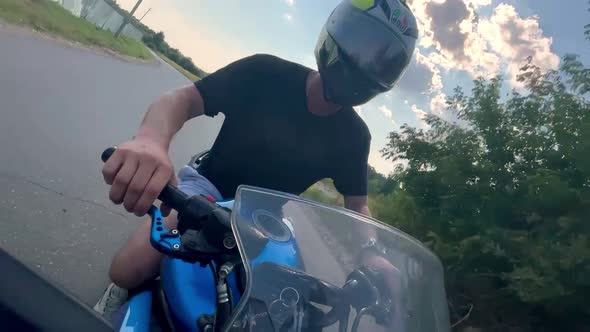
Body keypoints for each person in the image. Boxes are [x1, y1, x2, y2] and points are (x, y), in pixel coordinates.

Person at [94, 0, 418, 318]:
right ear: (338, 29)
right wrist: (151, 140)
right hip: (207, 187)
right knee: (130, 267)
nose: (365, 59)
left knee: (282, 311)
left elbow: (358, 207)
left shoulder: (354, 136)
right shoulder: (265, 72)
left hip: (265, 220)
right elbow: (181, 99)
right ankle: (118, 293)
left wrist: (372, 251)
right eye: (361, 43)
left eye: (381, 58)